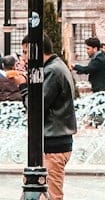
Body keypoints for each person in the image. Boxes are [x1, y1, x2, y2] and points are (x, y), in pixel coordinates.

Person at [40, 48, 77, 200]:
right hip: (54, 141)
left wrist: (23, 87)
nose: (24, 58)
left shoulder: (52, 71)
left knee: (52, 195)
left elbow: (36, 107)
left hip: (54, 143)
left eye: (25, 52)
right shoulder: (57, 66)